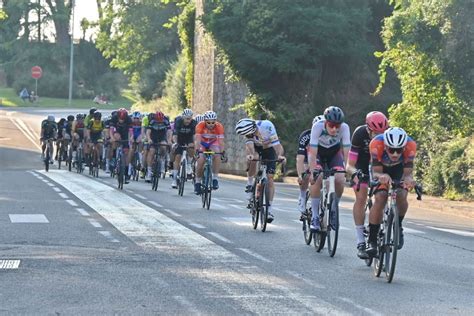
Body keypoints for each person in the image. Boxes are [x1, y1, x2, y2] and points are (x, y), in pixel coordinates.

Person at [366, 127, 417, 257]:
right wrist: (380, 176)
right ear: (386, 146)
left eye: (399, 150)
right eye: (391, 150)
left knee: (401, 194)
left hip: (399, 169)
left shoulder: (411, 145)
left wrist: (409, 179)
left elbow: (407, 172)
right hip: (381, 169)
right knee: (381, 197)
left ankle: (398, 225)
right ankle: (372, 240)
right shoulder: (376, 144)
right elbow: (376, 171)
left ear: (404, 147)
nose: (395, 154)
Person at [346, 111, 389, 259]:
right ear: (368, 130)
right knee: (362, 195)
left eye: (381, 133)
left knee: (382, 196)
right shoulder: (359, 134)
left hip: (380, 166)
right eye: (376, 133)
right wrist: (355, 173)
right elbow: (349, 165)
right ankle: (360, 242)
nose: (379, 136)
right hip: (362, 165)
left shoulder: (389, 135)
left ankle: (379, 229)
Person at [235, 117, 286, 223]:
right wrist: (251, 155)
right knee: (254, 158)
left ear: (253, 129)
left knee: (270, 177)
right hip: (256, 148)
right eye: (247, 135)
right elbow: (251, 148)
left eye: (249, 134)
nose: (248, 136)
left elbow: (277, 146)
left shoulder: (267, 127)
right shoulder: (248, 133)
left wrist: (280, 155)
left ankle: (269, 209)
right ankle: (250, 184)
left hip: (269, 148)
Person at [308, 106, 350, 231]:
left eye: (337, 126)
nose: (334, 129)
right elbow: (312, 153)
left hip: (334, 153)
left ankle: (333, 209)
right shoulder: (318, 127)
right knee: (317, 177)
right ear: (326, 122)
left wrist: (348, 171)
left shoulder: (345, 128)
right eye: (331, 125)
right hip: (319, 153)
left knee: (340, 178)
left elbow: (347, 152)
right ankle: (315, 216)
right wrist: (312, 171)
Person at [296, 115, 324, 218]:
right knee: (307, 175)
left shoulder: (329, 136)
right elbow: (300, 158)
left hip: (322, 156)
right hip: (309, 156)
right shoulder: (306, 136)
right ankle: (302, 197)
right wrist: (300, 175)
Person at [194, 111, 225, 195]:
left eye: (213, 122)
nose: (211, 124)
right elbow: (197, 140)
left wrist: (222, 153)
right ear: (205, 121)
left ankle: (215, 178)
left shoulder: (219, 127)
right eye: (208, 122)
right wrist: (197, 150)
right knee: (200, 161)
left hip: (213, 143)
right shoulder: (200, 125)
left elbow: (221, 142)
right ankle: (197, 183)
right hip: (202, 143)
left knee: (217, 154)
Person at [171, 108, 197, 188]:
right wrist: (175, 143)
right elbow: (175, 134)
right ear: (183, 117)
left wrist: (194, 144)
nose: (188, 121)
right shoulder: (178, 121)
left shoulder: (194, 123)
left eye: (189, 119)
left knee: (191, 147)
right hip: (180, 139)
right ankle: (174, 179)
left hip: (188, 138)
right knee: (178, 157)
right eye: (186, 119)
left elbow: (194, 136)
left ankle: (189, 164)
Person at [145, 111, 172, 182]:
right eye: (158, 121)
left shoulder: (166, 120)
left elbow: (169, 131)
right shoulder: (152, 121)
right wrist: (149, 139)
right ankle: (149, 172)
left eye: (161, 121)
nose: (160, 122)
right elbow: (148, 131)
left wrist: (169, 140)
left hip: (162, 136)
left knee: (164, 146)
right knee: (151, 151)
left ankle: (162, 160)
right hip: (153, 136)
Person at [109, 108, 133, 182]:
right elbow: (111, 130)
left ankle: (126, 171)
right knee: (116, 138)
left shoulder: (129, 119)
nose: (121, 120)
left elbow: (131, 132)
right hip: (117, 132)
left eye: (123, 119)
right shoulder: (114, 118)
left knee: (127, 152)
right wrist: (112, 138)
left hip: (125, 133)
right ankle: (114, 158)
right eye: (120, 119)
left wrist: (131, 139)